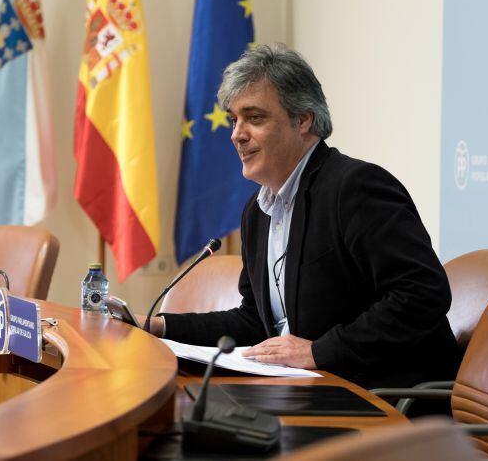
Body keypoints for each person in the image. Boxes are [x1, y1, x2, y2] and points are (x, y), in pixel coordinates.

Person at [149, 43, 460, 389]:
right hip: (309, 388)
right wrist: (160, 326)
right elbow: (254, 320)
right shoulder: (258, 211)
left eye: (255, 117)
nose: (237, 134)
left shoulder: (355, 188)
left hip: (383, 396)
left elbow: (423, 294)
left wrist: (320, 351)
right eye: (234, 120)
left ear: (303, 120)